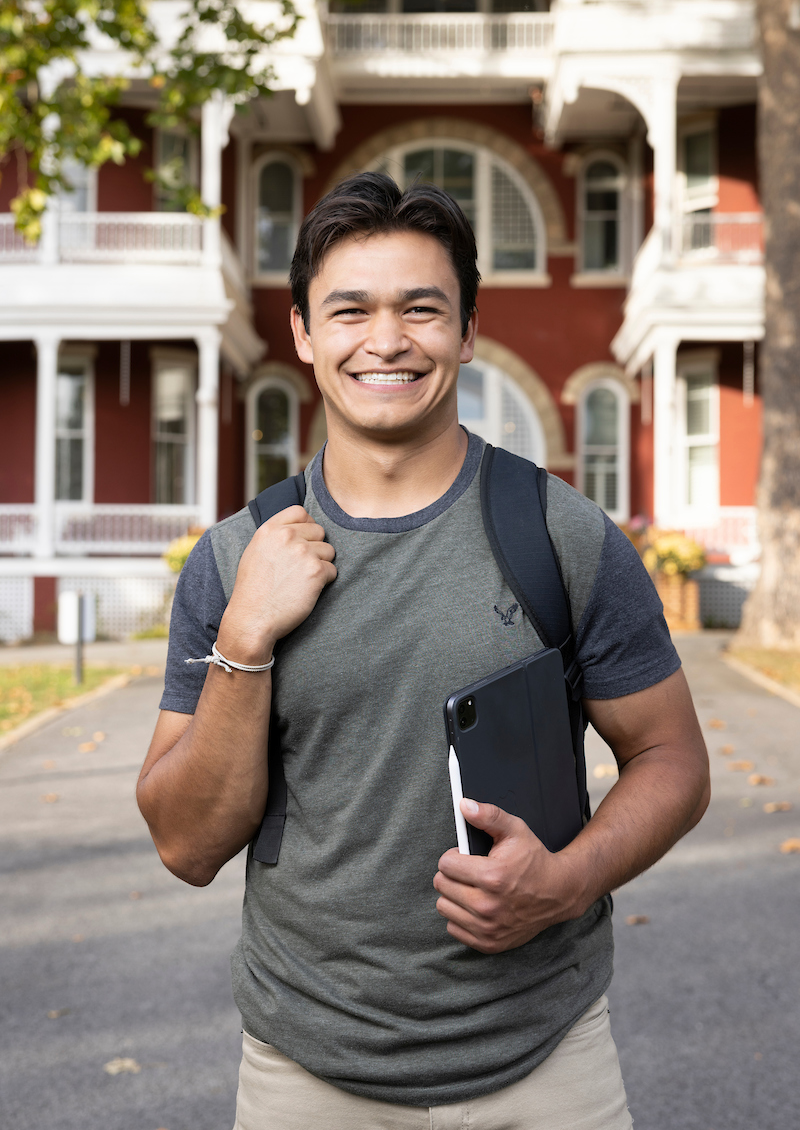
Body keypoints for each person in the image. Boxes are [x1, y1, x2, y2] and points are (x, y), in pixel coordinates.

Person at [137, 172, 710, 1130]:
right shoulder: (236, 560)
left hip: (546, 1061)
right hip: (303, 1073)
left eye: (422, 308)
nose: (388, 339)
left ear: (468, 331)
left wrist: (566, 883)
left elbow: (675, 761)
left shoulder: (560, 534)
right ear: (305, 335)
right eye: (350, 310)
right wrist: (245, 637)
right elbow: (186, 844)